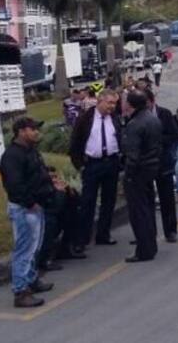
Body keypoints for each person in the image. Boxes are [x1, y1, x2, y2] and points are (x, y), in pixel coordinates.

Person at [0, 117, 56, 308]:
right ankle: (20, 290)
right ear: (21, 131)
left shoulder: (30, 151)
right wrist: (30, 202)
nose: (36, 133)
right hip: (24, 208)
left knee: (34, 248)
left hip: (36, 205)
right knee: (24, 250)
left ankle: (31, 280)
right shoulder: (12, 156)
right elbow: (14, 185)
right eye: (32, 129)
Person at [68, 89, 122, 247]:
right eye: (109, 103)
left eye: (114, 103)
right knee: (88, 202)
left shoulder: (114, 118)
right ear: (100, 101)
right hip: (92, 164)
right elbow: (75, 144)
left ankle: (103, 234)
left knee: (109, 200)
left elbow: (119, 136)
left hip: (111, 163)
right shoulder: (86, 119)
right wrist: (80, 165)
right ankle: (83, 238)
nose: (112, 106)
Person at [121, 89, 162, 262]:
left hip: (138, 171)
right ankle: (150, 246)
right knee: (148, 209)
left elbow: (133, 154)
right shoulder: (152, 119)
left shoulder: (135, 124)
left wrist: (127, 174)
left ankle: (143, 249)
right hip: (151, 168)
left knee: (139, 212)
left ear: (130, 104)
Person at [38, 167, 87, 273]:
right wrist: (58, 192)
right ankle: (44, 259)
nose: (55, 180)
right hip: (47, 217)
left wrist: (69, 191)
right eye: (51, 177)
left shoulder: (61, 187)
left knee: (74, 215)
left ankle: (67, 248)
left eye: (55, 177)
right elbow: (54, 208)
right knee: (51, 222)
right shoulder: (44, 189)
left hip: (59, 217)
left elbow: (77, 202)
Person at [146, 88, 178, 242]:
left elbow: (174, 135)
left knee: (167, 198)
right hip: (145, 163)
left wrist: (157, 141)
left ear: (152, 102)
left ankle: (170, 230)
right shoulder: (137, 116)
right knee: (147, 199)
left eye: (146, 104)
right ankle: (148, 232)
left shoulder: (165, 114)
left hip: (163, 161)